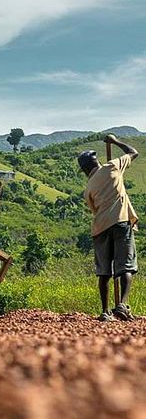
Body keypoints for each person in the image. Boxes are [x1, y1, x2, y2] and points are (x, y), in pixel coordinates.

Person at [78, 135, 139, 321]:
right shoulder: (112, 166)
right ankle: (121, 305)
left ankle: (105, 311)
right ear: (97, 161)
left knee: (104, 271)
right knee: (126, 266)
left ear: (84, 170)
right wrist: (114, 141)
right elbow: (133, 152)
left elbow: (93, 209)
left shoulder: (88, 188)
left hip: (100, 228)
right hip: (120, 222)